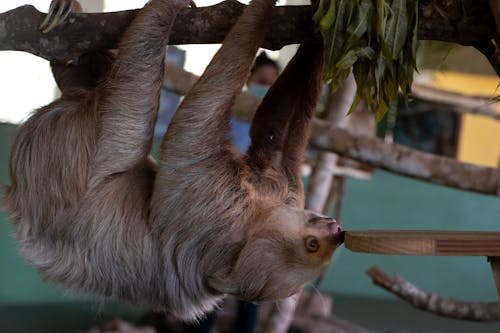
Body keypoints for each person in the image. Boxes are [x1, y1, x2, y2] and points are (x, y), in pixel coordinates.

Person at [229, 51, 280, 152]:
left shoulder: (272, 121)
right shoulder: (229, 107)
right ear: (247, 79)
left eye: (272, 86)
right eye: (262, 82)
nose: (267, 89)